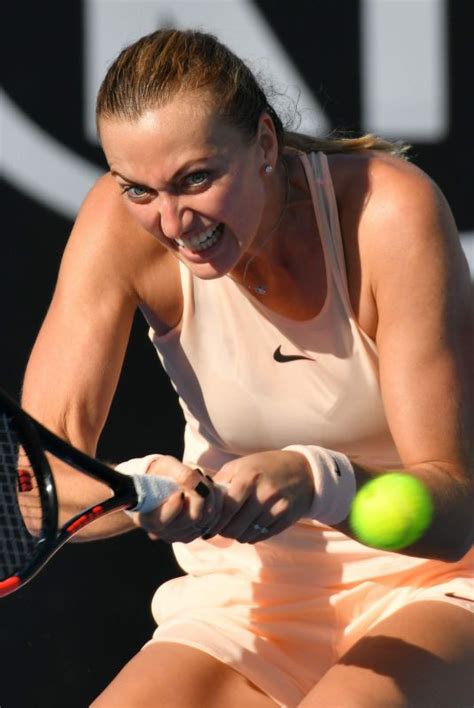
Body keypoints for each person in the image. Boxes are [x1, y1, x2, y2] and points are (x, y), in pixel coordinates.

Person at [21, 28, 473, 707]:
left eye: (196, 179)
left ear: (266, 144)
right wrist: (143, 489)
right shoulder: (115, 227)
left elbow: (455, 514)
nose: (172, 223)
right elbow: (37, 489)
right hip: (245, 597)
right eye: (137, 189)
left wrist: (319, 480)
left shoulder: (390, 213)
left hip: (429, 581)